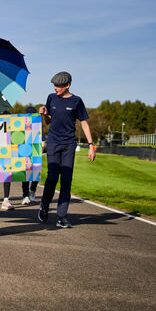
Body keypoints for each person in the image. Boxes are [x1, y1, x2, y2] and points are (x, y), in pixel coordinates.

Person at [37, 71, 96, 228]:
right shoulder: (51, 98)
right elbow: (48, 121)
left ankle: (61, 216)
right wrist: (44, 114)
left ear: (67, 85)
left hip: (69, 144)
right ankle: (44, 205)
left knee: (66, 181)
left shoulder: (77, 101)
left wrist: (91, 145)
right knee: (52, 177)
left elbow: (84, 123)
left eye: (58, 86)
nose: (55, 88)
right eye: (54, 85)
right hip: (53, 143)